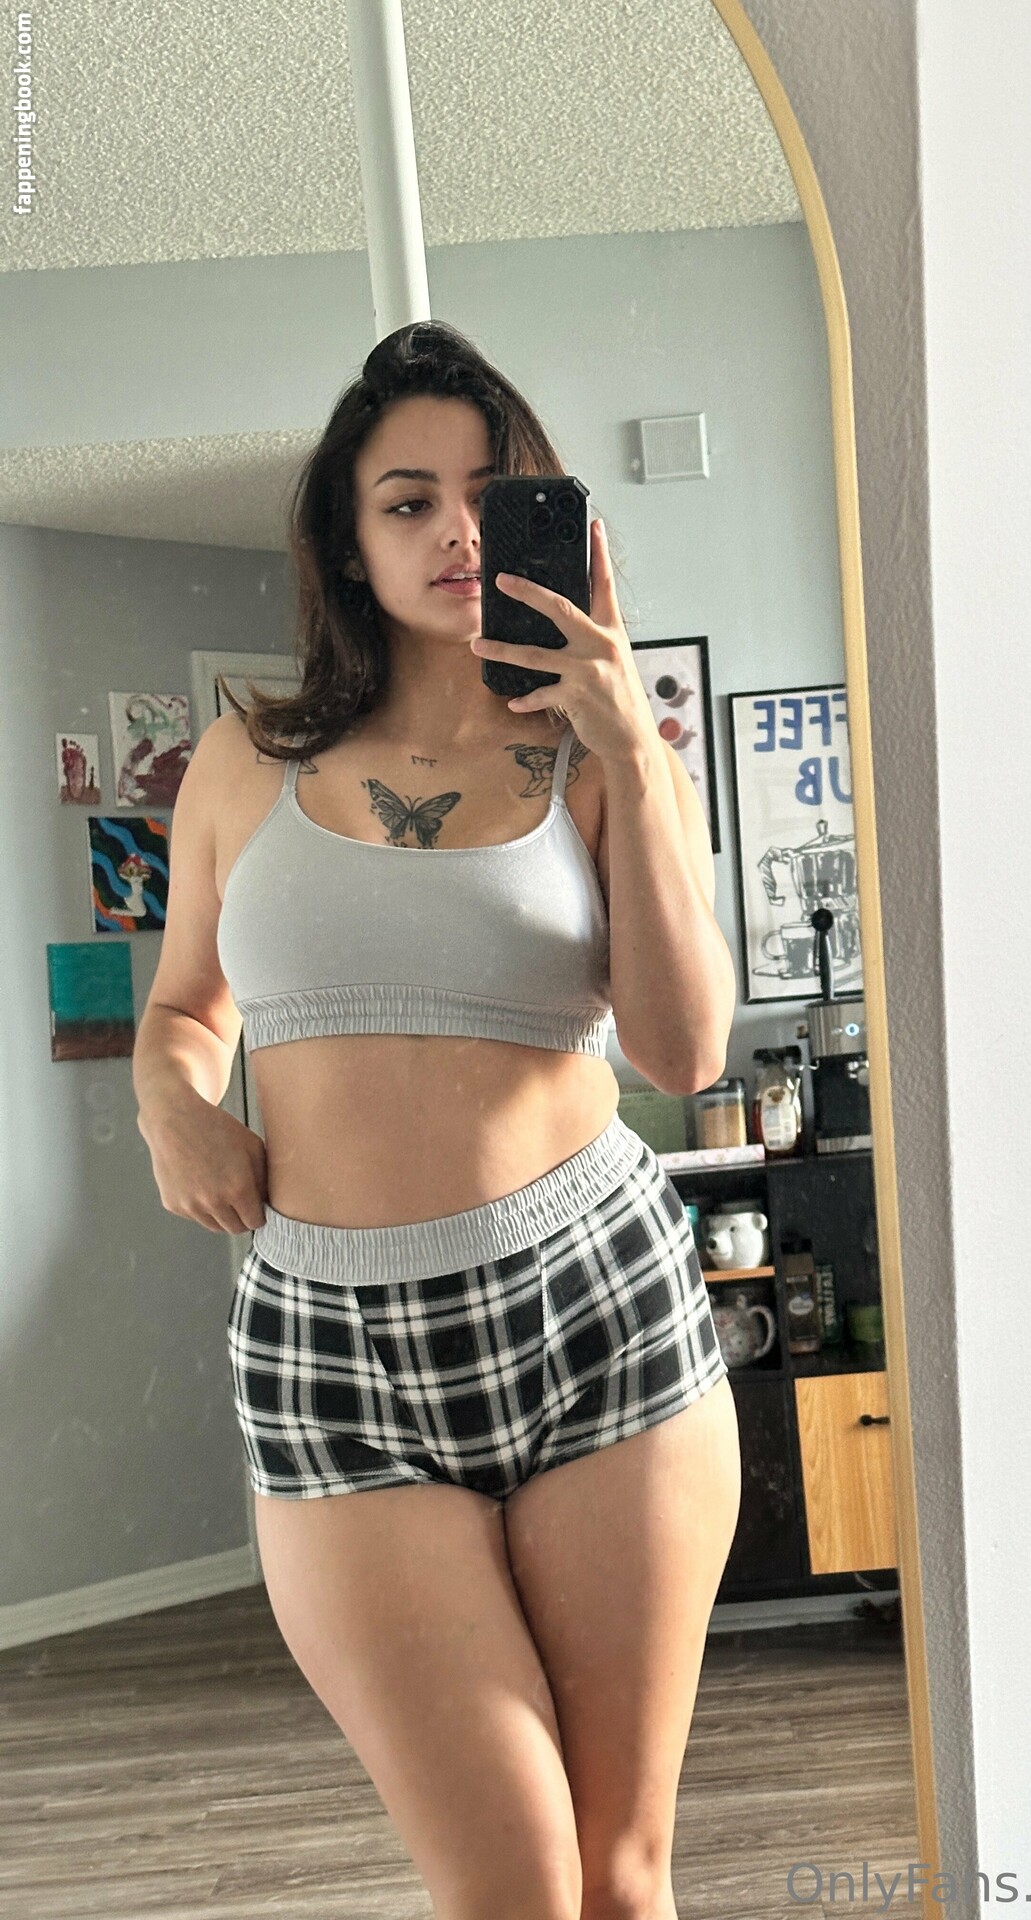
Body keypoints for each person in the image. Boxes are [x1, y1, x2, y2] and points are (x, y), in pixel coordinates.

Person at [134, 319, 743, 1920]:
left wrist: (630, 748)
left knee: (618, 1876)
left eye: (493, 495)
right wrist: (173, 1109)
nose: (458, 531)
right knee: (510, 1885)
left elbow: (684, 1051)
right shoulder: (243, 761)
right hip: (330, 1346)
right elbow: (186, 1010)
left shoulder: (604, 758)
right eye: (409, 500)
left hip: (593, 1302)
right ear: (350, 541)